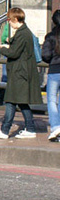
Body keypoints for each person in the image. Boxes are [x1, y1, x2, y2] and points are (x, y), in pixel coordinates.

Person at [0, 7, 42, 139]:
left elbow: (14, 53)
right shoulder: (25, 32)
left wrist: (2, 49)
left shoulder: (22, 34)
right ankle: (29, 128)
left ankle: (5, 130)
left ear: (16, 19)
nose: (9, 23)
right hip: (22, 72)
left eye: (10, 20)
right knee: (21, 102)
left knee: (11, 101)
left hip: (19, 73)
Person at [41, 9, 60, 142]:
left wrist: (52, 60)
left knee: (52, 100)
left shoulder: (50, 36)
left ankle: (55, 126)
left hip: (54, 70)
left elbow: (45, 55)